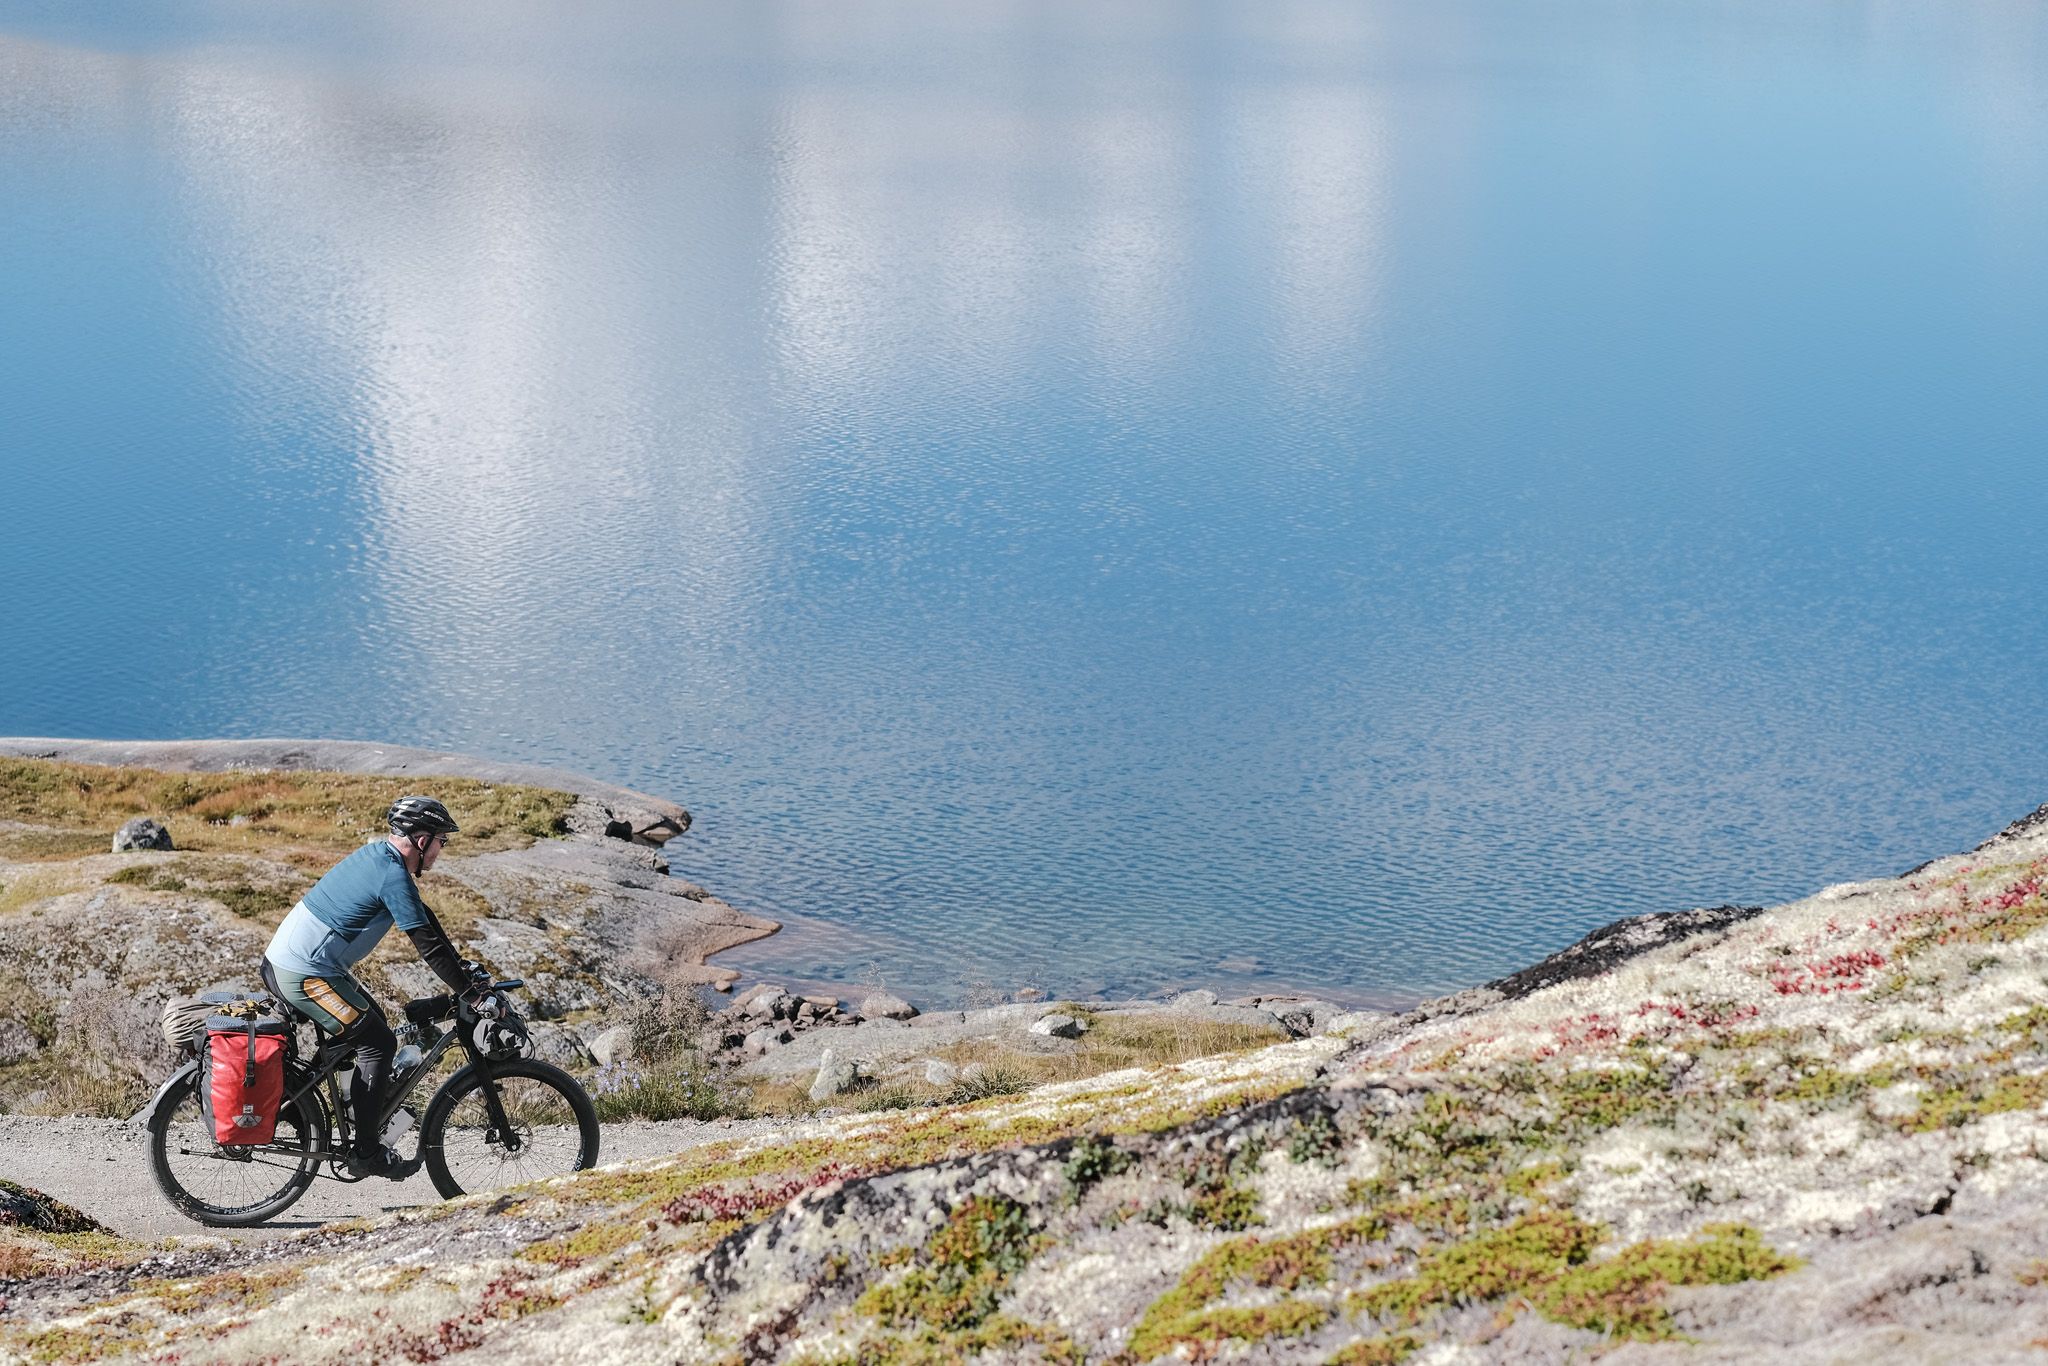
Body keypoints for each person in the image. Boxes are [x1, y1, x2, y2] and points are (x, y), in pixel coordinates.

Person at [261, 795, 488, 1177]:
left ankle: (316, 1112)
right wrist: (473, 994)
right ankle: (366, 1151)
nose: (440, 851)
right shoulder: (391, 873)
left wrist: (463, 972)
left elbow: (428, 924)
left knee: (372, 1023)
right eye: (440, 842)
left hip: (296, 965)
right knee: (378, 1043)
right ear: (421, 839)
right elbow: (426, 944)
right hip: (302, 973)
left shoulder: (381, 858)